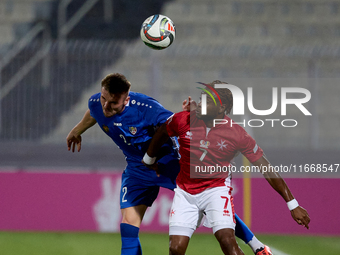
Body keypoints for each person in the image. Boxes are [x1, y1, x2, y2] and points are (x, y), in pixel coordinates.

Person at [67, 73, 272, 255]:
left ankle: (257, 246)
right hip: (136, 168)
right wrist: (77, 130)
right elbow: (93, 112)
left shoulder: (147, 108)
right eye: (103, 99)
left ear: (126, 99)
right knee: (128, 226)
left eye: (113, 103)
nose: (106, 106)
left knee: (213, 206)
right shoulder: (97, 102)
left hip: (166, 163)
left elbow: (173, 127)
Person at [142, 80, 310, 255]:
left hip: (216, 190)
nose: (200, 103)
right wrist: (149, 159)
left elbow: (266, 168)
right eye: (201, 98)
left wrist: (292, 204)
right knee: (175, 249)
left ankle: (254, 245)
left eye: (207, 101)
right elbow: (162, 131)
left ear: (221, 109)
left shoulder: (236, 134)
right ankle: (256, 245)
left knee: (228, 242)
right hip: (185, 192)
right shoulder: (182, 119)